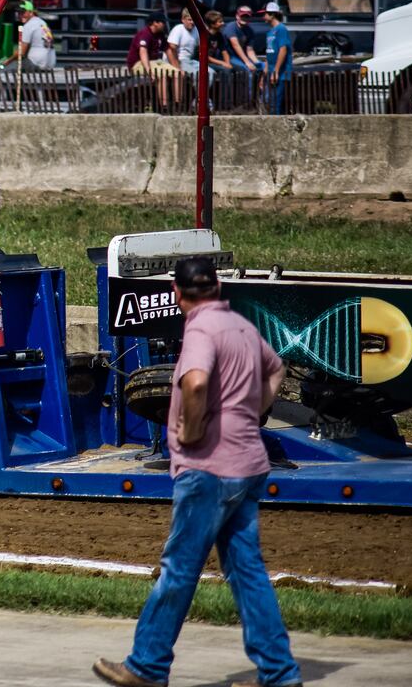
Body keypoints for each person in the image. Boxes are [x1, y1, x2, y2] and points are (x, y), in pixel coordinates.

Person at [93, 257, 301, 687]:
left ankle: (147, 667)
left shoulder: (201, 329)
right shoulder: (241, 326)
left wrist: (189, 431)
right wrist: (254, 410)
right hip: (247, 465)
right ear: (218, 285)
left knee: (179, 569)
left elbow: (195, 383)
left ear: (176, 292)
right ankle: (280, 674)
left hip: (210, 469)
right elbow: (276, 367)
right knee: (247, 571)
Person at [127, 17, 176, 108]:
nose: (164, 24)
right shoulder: (145, 34)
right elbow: (143, 52)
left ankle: (178, 103)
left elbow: (168, 50)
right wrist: (149, 72)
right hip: (138, 63)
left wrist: (176, 68)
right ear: (155, 23)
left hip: (155, 62)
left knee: (177, 73)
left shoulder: (160, 34)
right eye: (162, 22)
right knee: (162, 76)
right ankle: (164, 106)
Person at [0, 0, 56, 70]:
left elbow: (21, 52)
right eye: (19, 13)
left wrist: (7, 61)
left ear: (31, 12)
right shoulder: (43, 23)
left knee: (7, 68)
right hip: (50, 64)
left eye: (23, 12)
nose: (21, 15)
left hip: (37, 63)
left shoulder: (29, 25)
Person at [262, 1, 293, 115]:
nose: (263, 16)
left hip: (279, 72)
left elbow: (283, 50)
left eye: (265, 14)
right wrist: (264, 73)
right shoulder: (270, 32)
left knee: (275, 103)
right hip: (271, 70)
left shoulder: (281, 29)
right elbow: (269, 52)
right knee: (270, 101)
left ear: (272, 14)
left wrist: (276, 70)